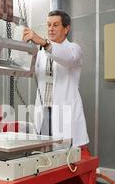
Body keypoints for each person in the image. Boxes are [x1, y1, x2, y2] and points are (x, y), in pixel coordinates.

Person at [23, 10, 90, 154]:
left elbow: (65, 57)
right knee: (44, 155)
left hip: (64, 112)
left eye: (55, 25)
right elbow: (26, 69)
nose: (50, 29)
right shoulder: (41, 54)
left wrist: (44, 43)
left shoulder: (73, 49)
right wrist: (22, 47)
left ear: (66, 29)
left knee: (64, 156)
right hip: (45, 112)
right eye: (48, 25)